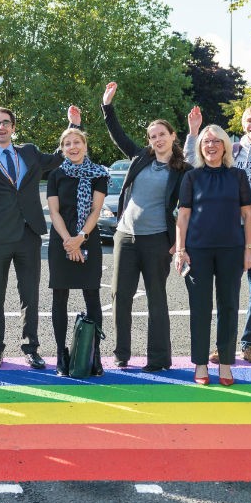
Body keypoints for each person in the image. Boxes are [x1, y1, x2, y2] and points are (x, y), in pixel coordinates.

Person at [0, 104, 77, 370]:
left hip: (29, 235)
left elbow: (57, 158)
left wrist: (74, 126)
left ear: (13, 127)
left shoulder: (29, 152)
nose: (1, 127)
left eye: (6, 122)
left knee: (29, 294)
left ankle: (30, 348)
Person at [100, 81, 188, 372]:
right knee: (119, 295)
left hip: (157, 241)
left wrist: (179, 241)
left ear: (173, 136)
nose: (157, 140)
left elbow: (188, 208)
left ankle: (159, 358)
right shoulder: (140, 158)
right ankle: (121, 353)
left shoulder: (183, 170)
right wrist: (107, 106)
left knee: (156, 299)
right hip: (126, 236)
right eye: (152, 136)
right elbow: (118, 136)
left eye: (162, 134)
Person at [185, 106, 251, 365]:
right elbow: (194, 164)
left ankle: (250, 344)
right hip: (230, 231)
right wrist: (193, 133)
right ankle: (221, 347)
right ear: (243, 124)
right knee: (227, 294)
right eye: (249, 120)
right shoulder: (232, 150)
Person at [175, 124, 251, 386]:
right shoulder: (192, 177)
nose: (211, 146)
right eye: (206, 141)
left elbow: (248, 214)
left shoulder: (238, 176)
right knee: (200, 308)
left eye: (216, 141)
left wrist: (250, 249)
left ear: (225, 146)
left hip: (231, 250)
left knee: (229, 306)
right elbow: (183, 215)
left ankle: (225, 363)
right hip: (197, 251)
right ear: (200, 147)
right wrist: (180, 250)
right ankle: (200, 364)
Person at [45, 120, 109, 376]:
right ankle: (61, 355)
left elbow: (96, 210)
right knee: (59, 297)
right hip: (62, 241)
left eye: (77, 142)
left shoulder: (99, 174)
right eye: (67, 143)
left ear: (85, 145)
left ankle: (95, 356)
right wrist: (68, 241)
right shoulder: (55, 174)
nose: (73, 147)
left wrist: (81, 237)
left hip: (88, 240)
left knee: (92, 296)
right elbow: (54, 211)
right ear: (62, 149)